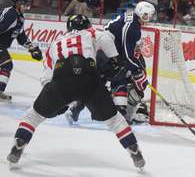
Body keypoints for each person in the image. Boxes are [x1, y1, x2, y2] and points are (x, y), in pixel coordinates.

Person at [7, 14, 145, 168]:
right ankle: (134, 150)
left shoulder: (55, 43)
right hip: (89, 78)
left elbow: (46, 77)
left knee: (32, 117)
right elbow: (106, 38)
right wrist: (115, 59)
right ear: (87, 25)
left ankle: (19, 144)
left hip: (62, 79)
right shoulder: (91, 33)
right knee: (115, 121)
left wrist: (55, 99)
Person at [66, 1, 156, 125]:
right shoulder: (132, 27)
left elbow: (126, 51)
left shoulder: (130, 18)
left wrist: (137, 72)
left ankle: (75, 109)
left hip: (102, 51)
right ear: (142, 13)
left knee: (99, 81)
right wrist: (138, 73)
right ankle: (121, 114)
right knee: (120, 76)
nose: (150, 18)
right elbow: (127, 55)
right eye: (148, 15)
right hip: (106, 53)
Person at [0, 0, 42, 101]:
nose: (27, 7)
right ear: (18, 4)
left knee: (6, 65)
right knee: (7, 64)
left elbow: (21, 37)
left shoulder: (19, 17)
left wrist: (32, 48)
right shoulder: (11, 14)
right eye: (25, 5)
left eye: (28, 5)